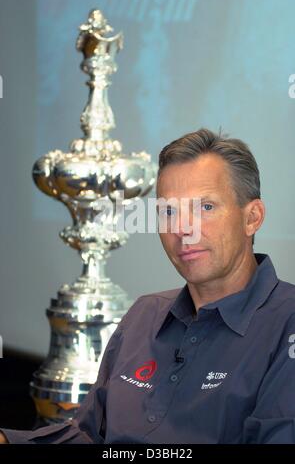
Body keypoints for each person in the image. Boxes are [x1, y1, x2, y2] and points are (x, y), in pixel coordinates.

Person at [1, 128, 295, 444]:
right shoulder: (145, 313)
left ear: (252, 217)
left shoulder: (285, 322)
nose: (183, 228)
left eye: (205, 208)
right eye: (168, 211)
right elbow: (88, 437)